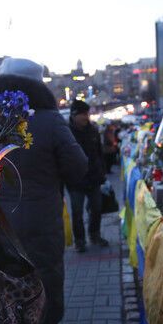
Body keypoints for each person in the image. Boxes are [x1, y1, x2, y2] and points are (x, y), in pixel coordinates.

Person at [0, 58, 88, 324]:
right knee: (44, 276)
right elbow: (78, 167)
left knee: (5, 279)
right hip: (42, 219)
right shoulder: (49, 119)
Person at [66, 100, 108, 253]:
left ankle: (95, 235)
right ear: (74, 115)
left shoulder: (93, 130)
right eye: (83, 114)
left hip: (94, 178)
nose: (86, 117)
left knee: (96, 208)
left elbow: (99, 153)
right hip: (75, 181)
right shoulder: (66, 132)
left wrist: (102, 172)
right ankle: (80, 241)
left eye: (87, 114)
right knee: (77, 212)